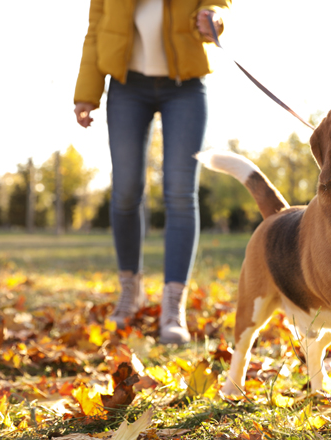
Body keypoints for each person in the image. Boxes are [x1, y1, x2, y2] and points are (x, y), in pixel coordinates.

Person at [73, 0, 231, 344]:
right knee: (126, 189)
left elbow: (219, 3)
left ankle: (173, 307)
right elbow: (96, 30)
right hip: (127, 86)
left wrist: (215, 18)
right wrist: (87, 92)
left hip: (186, 86)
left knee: (179, 191)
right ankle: (130, 292)